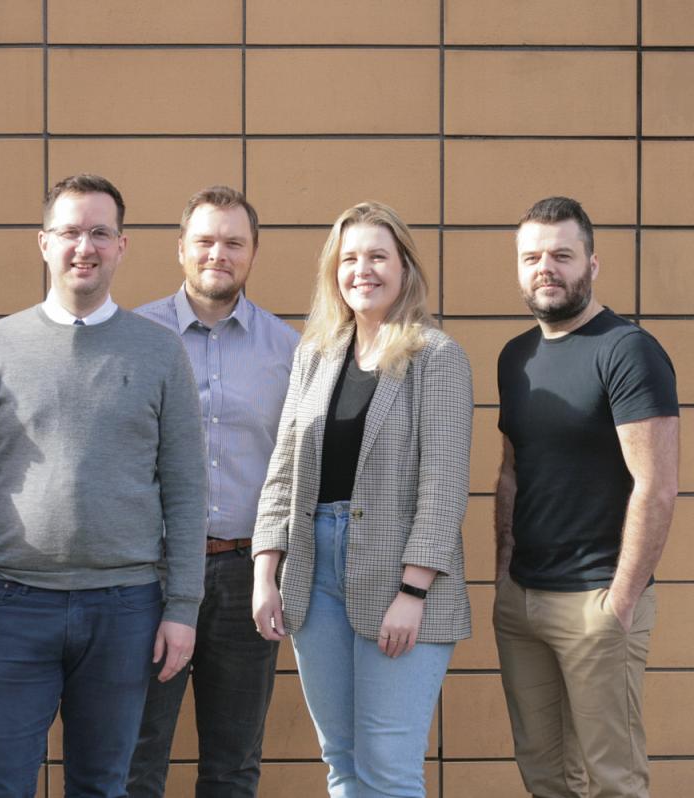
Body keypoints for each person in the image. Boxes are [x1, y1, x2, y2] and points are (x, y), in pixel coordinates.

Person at [0, 174, 208, 796]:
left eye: (98, 232)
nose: (83, 246)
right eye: (68, 232)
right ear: (43, 243)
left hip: (126, 606)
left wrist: (182, 610)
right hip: (11, 605)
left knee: (102, 785)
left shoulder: (160, 353)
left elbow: (187, 490)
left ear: (122, 245)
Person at [252, 201, 473, 797]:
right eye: (349, 258)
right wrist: (265, 571)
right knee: (342, 761)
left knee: (388, 766)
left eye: (378, 256)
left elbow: (444, 485)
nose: (362, 270)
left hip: (400, 575)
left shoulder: (437, 357)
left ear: (404, 267)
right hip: (313, 569)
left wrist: (412, 591)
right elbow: (284, 470)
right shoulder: (315, 354)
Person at [494, 196, 679, 798]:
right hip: (523, 600)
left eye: (561, 255)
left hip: (597, 601)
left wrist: (619, 602)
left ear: (592, 264)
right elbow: (512, 471)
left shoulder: (627, 350)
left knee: (612, 781)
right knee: (544, 776)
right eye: (532, 257)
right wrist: (504, 578)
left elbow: (655, 484)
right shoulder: (515, 356)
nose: (545, 268)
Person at [129, 186, 297, 797]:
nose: (217, 254)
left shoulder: (287, 349)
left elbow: (295, 468)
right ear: (180, 249)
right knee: (135, 760)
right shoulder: (135, 337)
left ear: (253, 253)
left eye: (233, 242)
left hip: (245, 578)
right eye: (204, 240)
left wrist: (276, 571)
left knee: (232, 765)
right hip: (151, 576)